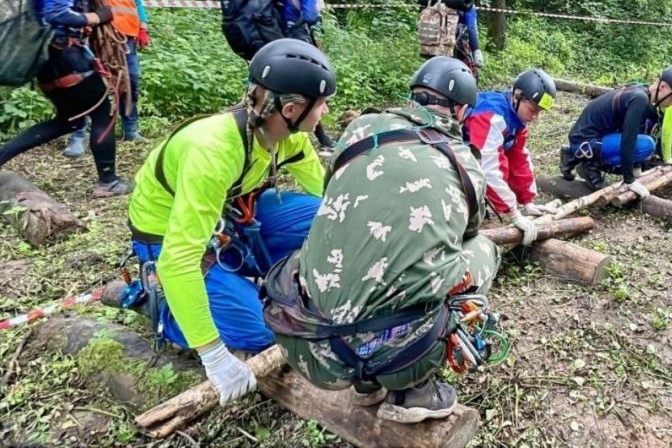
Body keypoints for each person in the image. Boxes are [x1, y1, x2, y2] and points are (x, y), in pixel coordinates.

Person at [266, 56, 501, 424]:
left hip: (305, 344)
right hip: (397, 356)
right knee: (483, 250)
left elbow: (333, 190)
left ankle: (365, 385)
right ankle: (412, 390)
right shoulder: (463, 161)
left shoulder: (361, 127)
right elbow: (468, 232)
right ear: (461, 110)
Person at [125, 39, 336, 405]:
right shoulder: (213, 151)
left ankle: (252, 278)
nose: (327, 112)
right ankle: (162, 306)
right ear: (289, 109)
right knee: (261, 329)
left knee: (325, 216)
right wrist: (214, 356)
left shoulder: (289, 137)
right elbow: (178, 260)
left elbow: (331, 196)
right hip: (167, 237)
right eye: (321, 104)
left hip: (228, 218)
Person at [0, 0, 133, 197]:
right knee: (103, 114)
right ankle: (108, 182)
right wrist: (98, 17)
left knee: (69, 120)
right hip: (67, 58)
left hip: (48, 59)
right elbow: (56, 12)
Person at [64, 0, 152, 157]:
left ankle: (131, 130)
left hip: (124, 34)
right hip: (89, 34)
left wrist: (143, 25)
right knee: (84, 83)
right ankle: (78, 135)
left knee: (129, 82)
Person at [464, 68, 560, 246]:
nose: (536, 117)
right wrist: (513, 212)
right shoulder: (490, 115)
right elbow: (488, 167)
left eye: (540, 111)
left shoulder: (516, 120)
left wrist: (527, 200)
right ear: (517, 97)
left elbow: (519, 159)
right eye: (533, 109)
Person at [560, 66, 672, 192]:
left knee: (645, 140)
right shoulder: (639, 99)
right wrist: (629, 181)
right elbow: (628, 140)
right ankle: (589, 165)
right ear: (662, 86)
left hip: (592, 137)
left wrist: (637, 168)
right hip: (586, 140)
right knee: (646, 144)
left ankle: (572, 156)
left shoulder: (642, 95)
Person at [280, 0, 336, 154]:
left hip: (279, 45)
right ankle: (323, 141)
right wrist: (317, 8)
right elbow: (312, 19)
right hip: (299, 46)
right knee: (311, 90)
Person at [455, 0, 484, 72]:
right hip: (458, 42)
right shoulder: (470, 7)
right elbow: (471, 27)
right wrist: (476, 50)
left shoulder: (449, 1)